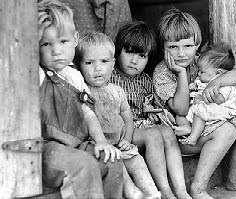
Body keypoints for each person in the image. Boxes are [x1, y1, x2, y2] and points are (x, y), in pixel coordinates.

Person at [152, 8, 236, 199]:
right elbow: (180, 108)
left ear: (197, 45)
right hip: (182, 137)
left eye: (188, 46)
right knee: (227, 131)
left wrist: (217, 81)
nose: (181, 53)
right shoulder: (163, 72)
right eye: (173, 47)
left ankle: (234, 180)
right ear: (163, 47)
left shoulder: (201, 61)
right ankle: (198, 188)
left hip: (208, 124)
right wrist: (181, 74)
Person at [38, 1, 123, 198]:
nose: (56, 50)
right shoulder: (38, 75)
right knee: (83, 164)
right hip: (47, 150)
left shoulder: (75, 77)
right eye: (45, 43)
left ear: (75, 39)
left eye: (63, 41)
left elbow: (87, 112)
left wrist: (101, 141)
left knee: (111, 158)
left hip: (77, 144)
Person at [110, 20, 192, 199]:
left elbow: (149, 109)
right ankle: (166, 192)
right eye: (129, 52)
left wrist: (154, 113)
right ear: (118, 50)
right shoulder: (109, 75)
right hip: (122, 130)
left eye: (142, 56)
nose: (134, 61)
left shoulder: (146, 80)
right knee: (153, 135)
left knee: (167, 132)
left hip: (141, 124)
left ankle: (181, 190)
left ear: (148, 58)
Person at [74, 31, 160, 199]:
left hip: (121, 143)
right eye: (89, 62)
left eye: (104, 62)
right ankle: (132, 193)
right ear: (79, 65)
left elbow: (128, 120)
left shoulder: (117, 91)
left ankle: (152, 194)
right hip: (100, 147)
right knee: (117, 163)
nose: (98, 69)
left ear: (113, 64)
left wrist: (127, 140)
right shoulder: (83, 92)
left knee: (137, 162)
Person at [178, 42, 236, 146]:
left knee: (200, 111)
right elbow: (198, 86)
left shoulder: (224, 86)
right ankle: (188, 128)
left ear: (218, 73)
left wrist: (201, 98)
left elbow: (219, 99)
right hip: (206, 108)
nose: (198, 74)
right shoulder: (206, 78)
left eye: (202, 72)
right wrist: (193, 87)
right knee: (182, 116)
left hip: (220, 110)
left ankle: (193, 137)